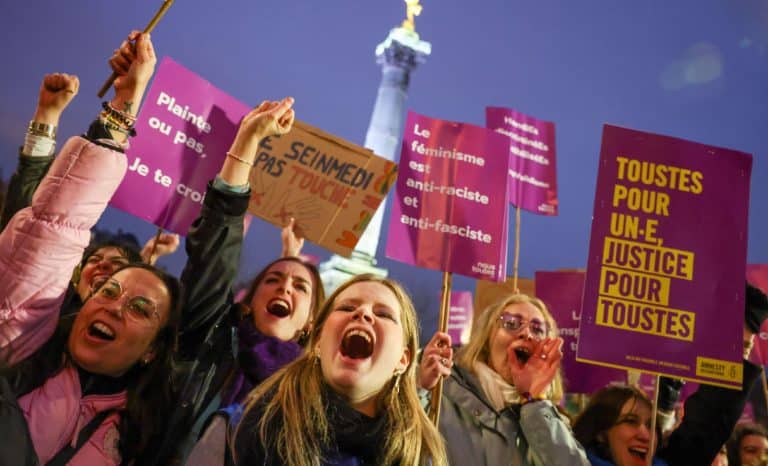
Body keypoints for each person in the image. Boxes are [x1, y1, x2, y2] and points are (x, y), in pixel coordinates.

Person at [0, 31, 188, 465]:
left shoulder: (146, 438)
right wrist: (126, 104)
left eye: (141, 309)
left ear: (153, 351)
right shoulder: (20, 355)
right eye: (108, 290)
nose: (115, 308)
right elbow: (51, 229)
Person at [149, 98, 326, 465]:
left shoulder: (314, 400)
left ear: (312, 321)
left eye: (300, 287)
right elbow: (214, 254)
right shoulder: (208, 339)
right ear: (249, 298)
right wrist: (247, 141)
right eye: (273, 279)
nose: (285, 288)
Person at [0, 71, 180, 317]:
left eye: (117, 268)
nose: (104, 265)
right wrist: (46, 116)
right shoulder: (35, 307)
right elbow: (38, 227)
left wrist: (149, 257)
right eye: (93, 261)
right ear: (73, 275)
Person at [233, 274, 448, 466]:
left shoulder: (421, 458)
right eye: (346, 308)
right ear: (318, 341)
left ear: (403, 359)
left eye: (384, 314)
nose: (363, 313)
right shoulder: (241, 427)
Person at [418, 293, 589, 466]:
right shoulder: (440, 394)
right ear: (487, 338)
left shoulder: (552, 419)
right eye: (511, 324)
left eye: (537, 329)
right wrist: (420, 387)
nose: (526, 333)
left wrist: (534, 401)